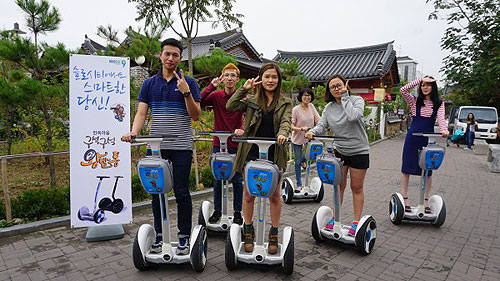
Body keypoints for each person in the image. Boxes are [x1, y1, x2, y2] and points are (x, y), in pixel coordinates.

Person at [121, 38, 201, 255]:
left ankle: (184, 236)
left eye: (175, 55)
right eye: (167, 54)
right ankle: (159, 235)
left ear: (180, 57)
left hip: (181, 146)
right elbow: (141, 113)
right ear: (160, 55)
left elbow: (196, 116)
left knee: (182, 192)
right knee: (156, 193)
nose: (170, 58)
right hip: (155, 147)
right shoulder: (149, 84)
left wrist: (185, 92)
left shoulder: (190, 82)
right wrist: (134, 132)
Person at [226, 62, 292, 255]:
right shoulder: (252, 99)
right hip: (251, 153)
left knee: (274, 195)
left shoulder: (285, 102)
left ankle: (273, 233)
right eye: (267, 77)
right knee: (249, 194)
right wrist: (243, 89)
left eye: (274, 77)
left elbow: (286, 122)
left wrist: (283, 134)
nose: (270, 80)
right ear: (260, 79)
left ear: (278, 80)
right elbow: (231, 105)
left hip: (274, 153)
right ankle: (248, 230)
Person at [306, 75, 370, 236]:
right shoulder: (329, 108)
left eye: (339, 85)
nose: (336, 89)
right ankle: (336, 218)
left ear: (345, 85)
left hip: (359, 150)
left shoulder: (356, 100)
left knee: (356, 188)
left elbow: (354, 116)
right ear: (329, 90)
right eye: (332, 87)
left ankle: (356, 222)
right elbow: (322, 125)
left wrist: (345, 97)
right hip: (339, 151)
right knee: (338, 187)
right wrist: (312, 131)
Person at [200, 63, 244, 225]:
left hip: (236, 143)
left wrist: (242, 128)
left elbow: (251, 117)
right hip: (219, 143)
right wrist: (212, 85)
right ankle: (218, 210)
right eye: (227, 75)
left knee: (237, 180)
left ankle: (238, 212)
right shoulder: (216, 96)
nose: (230, 78)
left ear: (238, 79)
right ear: (222, 78)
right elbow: (200, 100)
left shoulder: (242, 97)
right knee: (218, 179)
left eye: (233, 75)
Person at [399, 76, 448, 214]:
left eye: (428, 85)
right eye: (423, 85)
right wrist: (419, 79)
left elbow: (441, 119)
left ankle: (425, 201)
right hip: (413, 138)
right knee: (406, 167)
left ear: (433, 87)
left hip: (428, 140)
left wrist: (444, 130)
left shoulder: (439, 103)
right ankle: (405, 199)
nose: (425, 87)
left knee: (428, 170)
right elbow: (403, 90)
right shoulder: (415, 101)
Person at [290, 88, 320, 192]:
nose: (307, 97)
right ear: (300, 97)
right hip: (298, 138)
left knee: (309, 156)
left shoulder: (311, 106)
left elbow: (318, 120)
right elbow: (291, 125)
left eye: (309, 95)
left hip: (309, 137)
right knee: (297, 162)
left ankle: (303, 161)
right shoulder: (296, 109)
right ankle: (299, 184)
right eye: (305, 95)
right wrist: (301, 129)